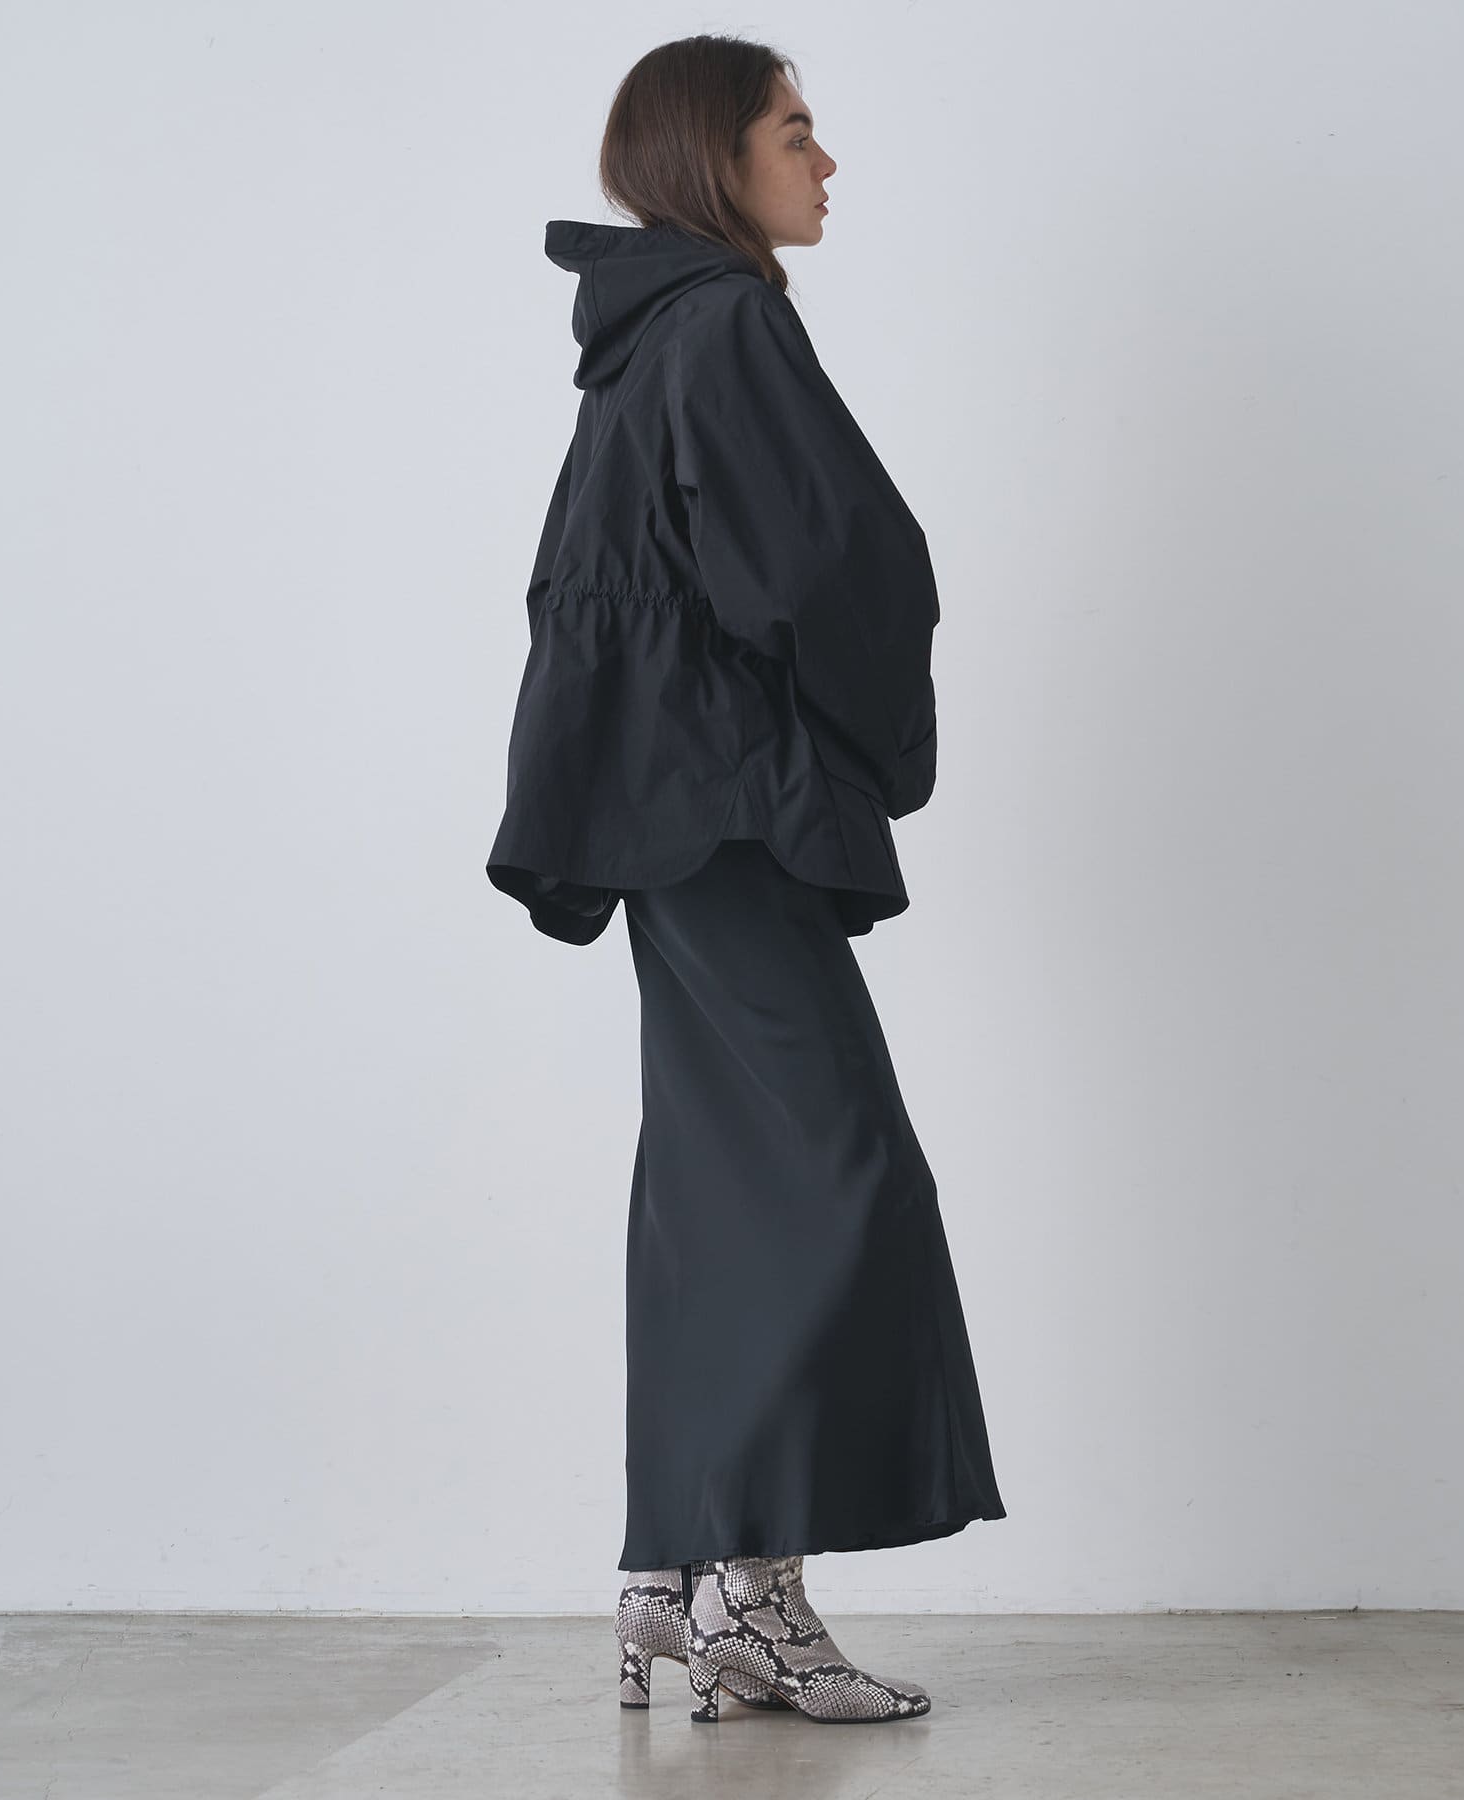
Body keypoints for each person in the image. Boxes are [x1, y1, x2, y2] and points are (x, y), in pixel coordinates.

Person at [486, 34, 1007, 1724]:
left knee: (721, 1185)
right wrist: (871, 744)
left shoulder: (647, 334)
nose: (825, 161)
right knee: (837, 1176)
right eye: (796, 132)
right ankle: (750, 1592)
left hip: (665, 813)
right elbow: (837, 566)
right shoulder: (724, 321)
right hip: (725, 811)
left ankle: (672, 1570)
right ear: (717, 157)